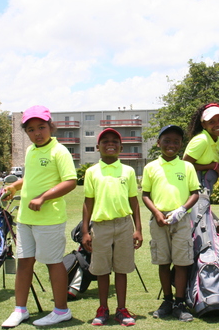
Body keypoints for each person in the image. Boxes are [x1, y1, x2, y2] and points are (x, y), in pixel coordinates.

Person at [1, 105, 77, 327]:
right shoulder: (31, 150)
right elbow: (32, 178)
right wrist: (15, 187)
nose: (37, 133)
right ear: (26, 132)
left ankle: (62, 310)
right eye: (31, 129)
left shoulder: (59, 151)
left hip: (49, 219)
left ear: (51, 126)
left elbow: (70, 181)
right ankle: (20, 309)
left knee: (54, 263)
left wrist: (43, 198)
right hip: (26, 218)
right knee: (24, 263)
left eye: (42, 127)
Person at [81, 128, 143, 326]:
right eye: (105, 141)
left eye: (115, 141)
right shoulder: (92, 172)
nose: (110, 144)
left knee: (122, 268)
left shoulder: (128, 171)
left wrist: (138, 229)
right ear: (97, 147)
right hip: (100, 226)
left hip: (124, 225)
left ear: (121, 147)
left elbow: (134, 202)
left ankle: (121, 309)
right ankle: (103, 308)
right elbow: (88, 202)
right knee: (101, 270)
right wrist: (85, 231)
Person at [141, 125, 200, 322]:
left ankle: (179, 302)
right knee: (163, 261)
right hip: (159, 220)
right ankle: (167, 300)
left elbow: (195, 193)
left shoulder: (187, 166)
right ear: (158, 143)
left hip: (181, 219)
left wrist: (182, 210)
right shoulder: (151, 167)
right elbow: (145, 194)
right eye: (167, 140)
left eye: (176, 141)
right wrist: (157, 213)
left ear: (181, 144)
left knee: (182, 262)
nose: (171, 145)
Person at [183, 102, 219, 232]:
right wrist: (210, 166)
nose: (218, 124)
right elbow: (184, 165)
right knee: (209, 228)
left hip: (205, 194)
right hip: (193, 194)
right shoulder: (201, 140)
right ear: (203, 124)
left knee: (216, 227)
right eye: (212, 122)